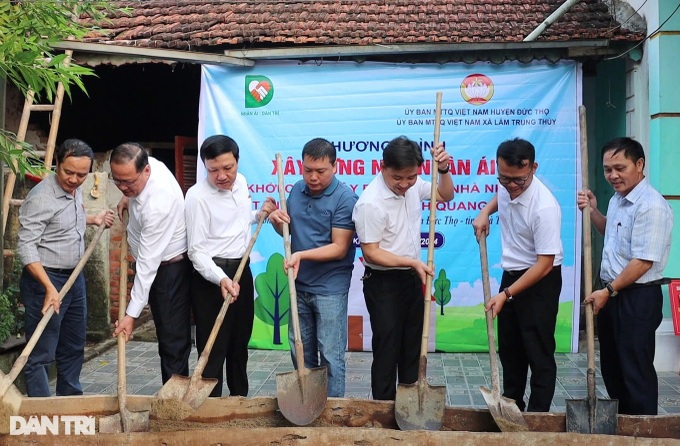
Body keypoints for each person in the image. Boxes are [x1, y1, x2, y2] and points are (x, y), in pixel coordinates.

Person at [351, 135, 453, 400]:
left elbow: (445, 195)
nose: (405, 185)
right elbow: (371, 253)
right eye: (398, 178)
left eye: (411, 177)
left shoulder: (413, 184)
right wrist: (411, 262)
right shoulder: (370, 203)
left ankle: (409, 404)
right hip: (383, 283)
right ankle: (383, 409)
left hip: (410, 278)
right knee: (387, 348)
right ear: (382, 166)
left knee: (412, 347)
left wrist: (443, 169)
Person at [577, 137, 672, 415]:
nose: (612, 175)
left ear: (639, 164)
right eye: (608, 169)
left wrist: (608, 291)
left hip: (636, 297)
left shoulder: (651, 206)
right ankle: (623, 425)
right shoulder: (619, 198)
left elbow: (642, 261)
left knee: (635, 370)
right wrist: (593, 211)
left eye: (620, 168)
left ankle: (643, 431)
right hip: (615, 294)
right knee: (614, 367)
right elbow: (613, 234)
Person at [18, 139, 115, 396]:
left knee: (73, 345)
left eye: (81, 174)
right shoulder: (40, 198)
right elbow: (26, 248)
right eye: (68, 172)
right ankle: (42, 411)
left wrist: (93, 219)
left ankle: (70, 400)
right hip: (45, 281)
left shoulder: (76, 189)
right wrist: (49, 288)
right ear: (56, 165)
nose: (73, 179)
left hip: (74, 278)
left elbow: (64, 222)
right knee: (42, 350)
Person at [472, 137, 563, 412]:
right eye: (504, 179)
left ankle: (538, 416)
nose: (511, 186)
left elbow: (544, 263)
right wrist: (485, 212)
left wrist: (506, 294)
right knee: (510, 349)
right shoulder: (506, 186)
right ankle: (511, 405)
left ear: (533, 168)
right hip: (511, 276)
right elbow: (499, 197)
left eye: (519, 181)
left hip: (540, 281)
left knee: (538, 351)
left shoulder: (544, 207)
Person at [185, 135, 276, 397]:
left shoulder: (242, 183)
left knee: (239, 344)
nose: (222, 176)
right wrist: (220, 279)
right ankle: (210, 407)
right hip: (212, 277)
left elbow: (237, 221)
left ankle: (239, 403)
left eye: (228, 168)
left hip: (242, 271)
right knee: (213, 348)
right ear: (205, 166)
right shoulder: (197, 197)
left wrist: (259, 215)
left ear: (237, 161)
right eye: (213, 170)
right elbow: (197, 251)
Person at [268, 138, 358, 398]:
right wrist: (276, 219)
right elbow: (288, 231)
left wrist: (301, 255)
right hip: (299, 285)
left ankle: (333, 411)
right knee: (300, 352)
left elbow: (339, 247)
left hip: (330, 288)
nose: (313, 177)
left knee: (330, 354)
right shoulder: (296, 190)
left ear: (335, 166)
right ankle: (309, 404)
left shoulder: (345, 198)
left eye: (321, 171)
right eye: (308, 170)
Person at [110, 142, 192, 384]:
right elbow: (131, 188)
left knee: (172, 339)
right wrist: (129, 197)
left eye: (128, 182)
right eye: (117, 181)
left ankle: (174, 402)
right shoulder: (148, 165)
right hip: (155, 262)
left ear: (146, 171)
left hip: (168, 269)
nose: (123, 187)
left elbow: (147, 265)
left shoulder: (159, 203)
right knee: (169, 337)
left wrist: (130, 315)